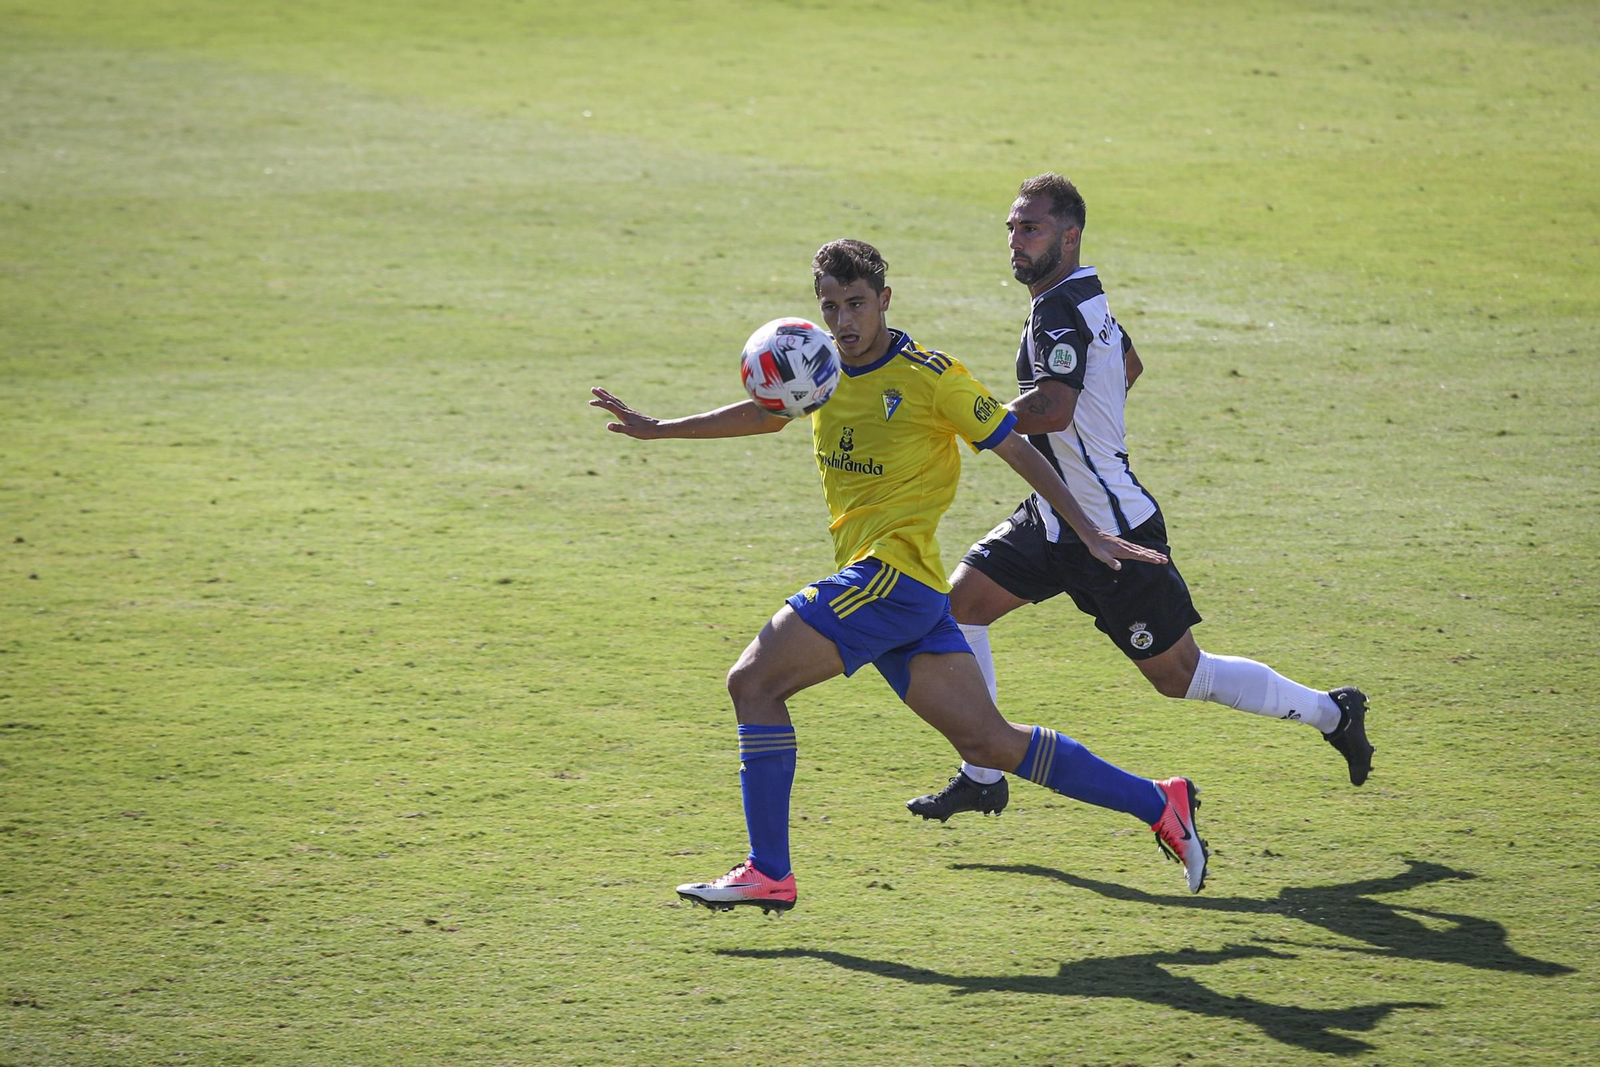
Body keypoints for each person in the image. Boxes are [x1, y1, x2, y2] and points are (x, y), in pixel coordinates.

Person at [590, 239, 1212, 911]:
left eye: (857, 304)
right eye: (831, 307)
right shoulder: (821, 368)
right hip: (904, 597)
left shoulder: (932, 377)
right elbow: (771, 412)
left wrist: (1087, 529)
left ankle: (769, 869)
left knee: (754, 681)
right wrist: (659, 430)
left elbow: (1013, 444)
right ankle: (1158, 801)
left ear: (884, 300)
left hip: (890, 577)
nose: (845, 321)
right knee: (989, 741)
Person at [906, 174, 1373, 824]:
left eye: (1031, 228)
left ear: (1069, 236)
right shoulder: (1082, 295)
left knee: (1181, 675)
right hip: (1052, 520)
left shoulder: (1059, 309)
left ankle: (1333, 710)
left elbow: (1055, 406)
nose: (1015, 240)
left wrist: (974, 419)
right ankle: (984, 772)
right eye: (1012, 227)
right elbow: (1127, 364)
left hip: (1112, 533)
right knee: (961, 607)